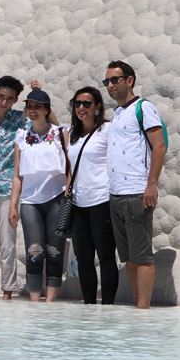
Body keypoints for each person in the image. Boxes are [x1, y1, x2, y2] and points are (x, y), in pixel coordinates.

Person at [0, 77, 58, 300]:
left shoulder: (20, 120)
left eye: (10, 99)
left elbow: (52, 125)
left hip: (7, 189)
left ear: (15, 100)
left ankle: (8, 290)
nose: (5, 102)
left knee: (8, 243)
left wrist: (40, 95)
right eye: (2, 97)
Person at [103, 61, 167, 309]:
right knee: (128, 257)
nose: (110, 85)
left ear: (129, 80)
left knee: (142, 256)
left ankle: (143, 309)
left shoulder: (144, 108)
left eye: (114, 80)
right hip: (116, 194)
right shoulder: (118, 113)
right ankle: (136, 306)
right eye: (107, 81)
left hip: (136, 192)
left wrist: (151, 184)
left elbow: (159, 146)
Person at [9, 89, 69, 302]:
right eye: (29, 106)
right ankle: (34, 302)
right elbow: (17, 175)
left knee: (54, 250)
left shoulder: (61, 132)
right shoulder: (22, 137)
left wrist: (70, 194)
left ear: (46, 110)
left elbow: (69, 167)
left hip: (56, 198)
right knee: (34, 251)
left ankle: (51, 302)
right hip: (30, 201)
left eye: (37, 107)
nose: (32, 111)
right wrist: (13, 205)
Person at [67, 87, 119, 304]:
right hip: (78, 203)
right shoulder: (72, 134)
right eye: (77, 103)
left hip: (101, 201)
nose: (81, 108)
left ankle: (107, 306)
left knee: (106, 257)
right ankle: (89, 305)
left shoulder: (108, 129)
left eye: (87, 104)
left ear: (97, 107)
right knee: (84, 259)